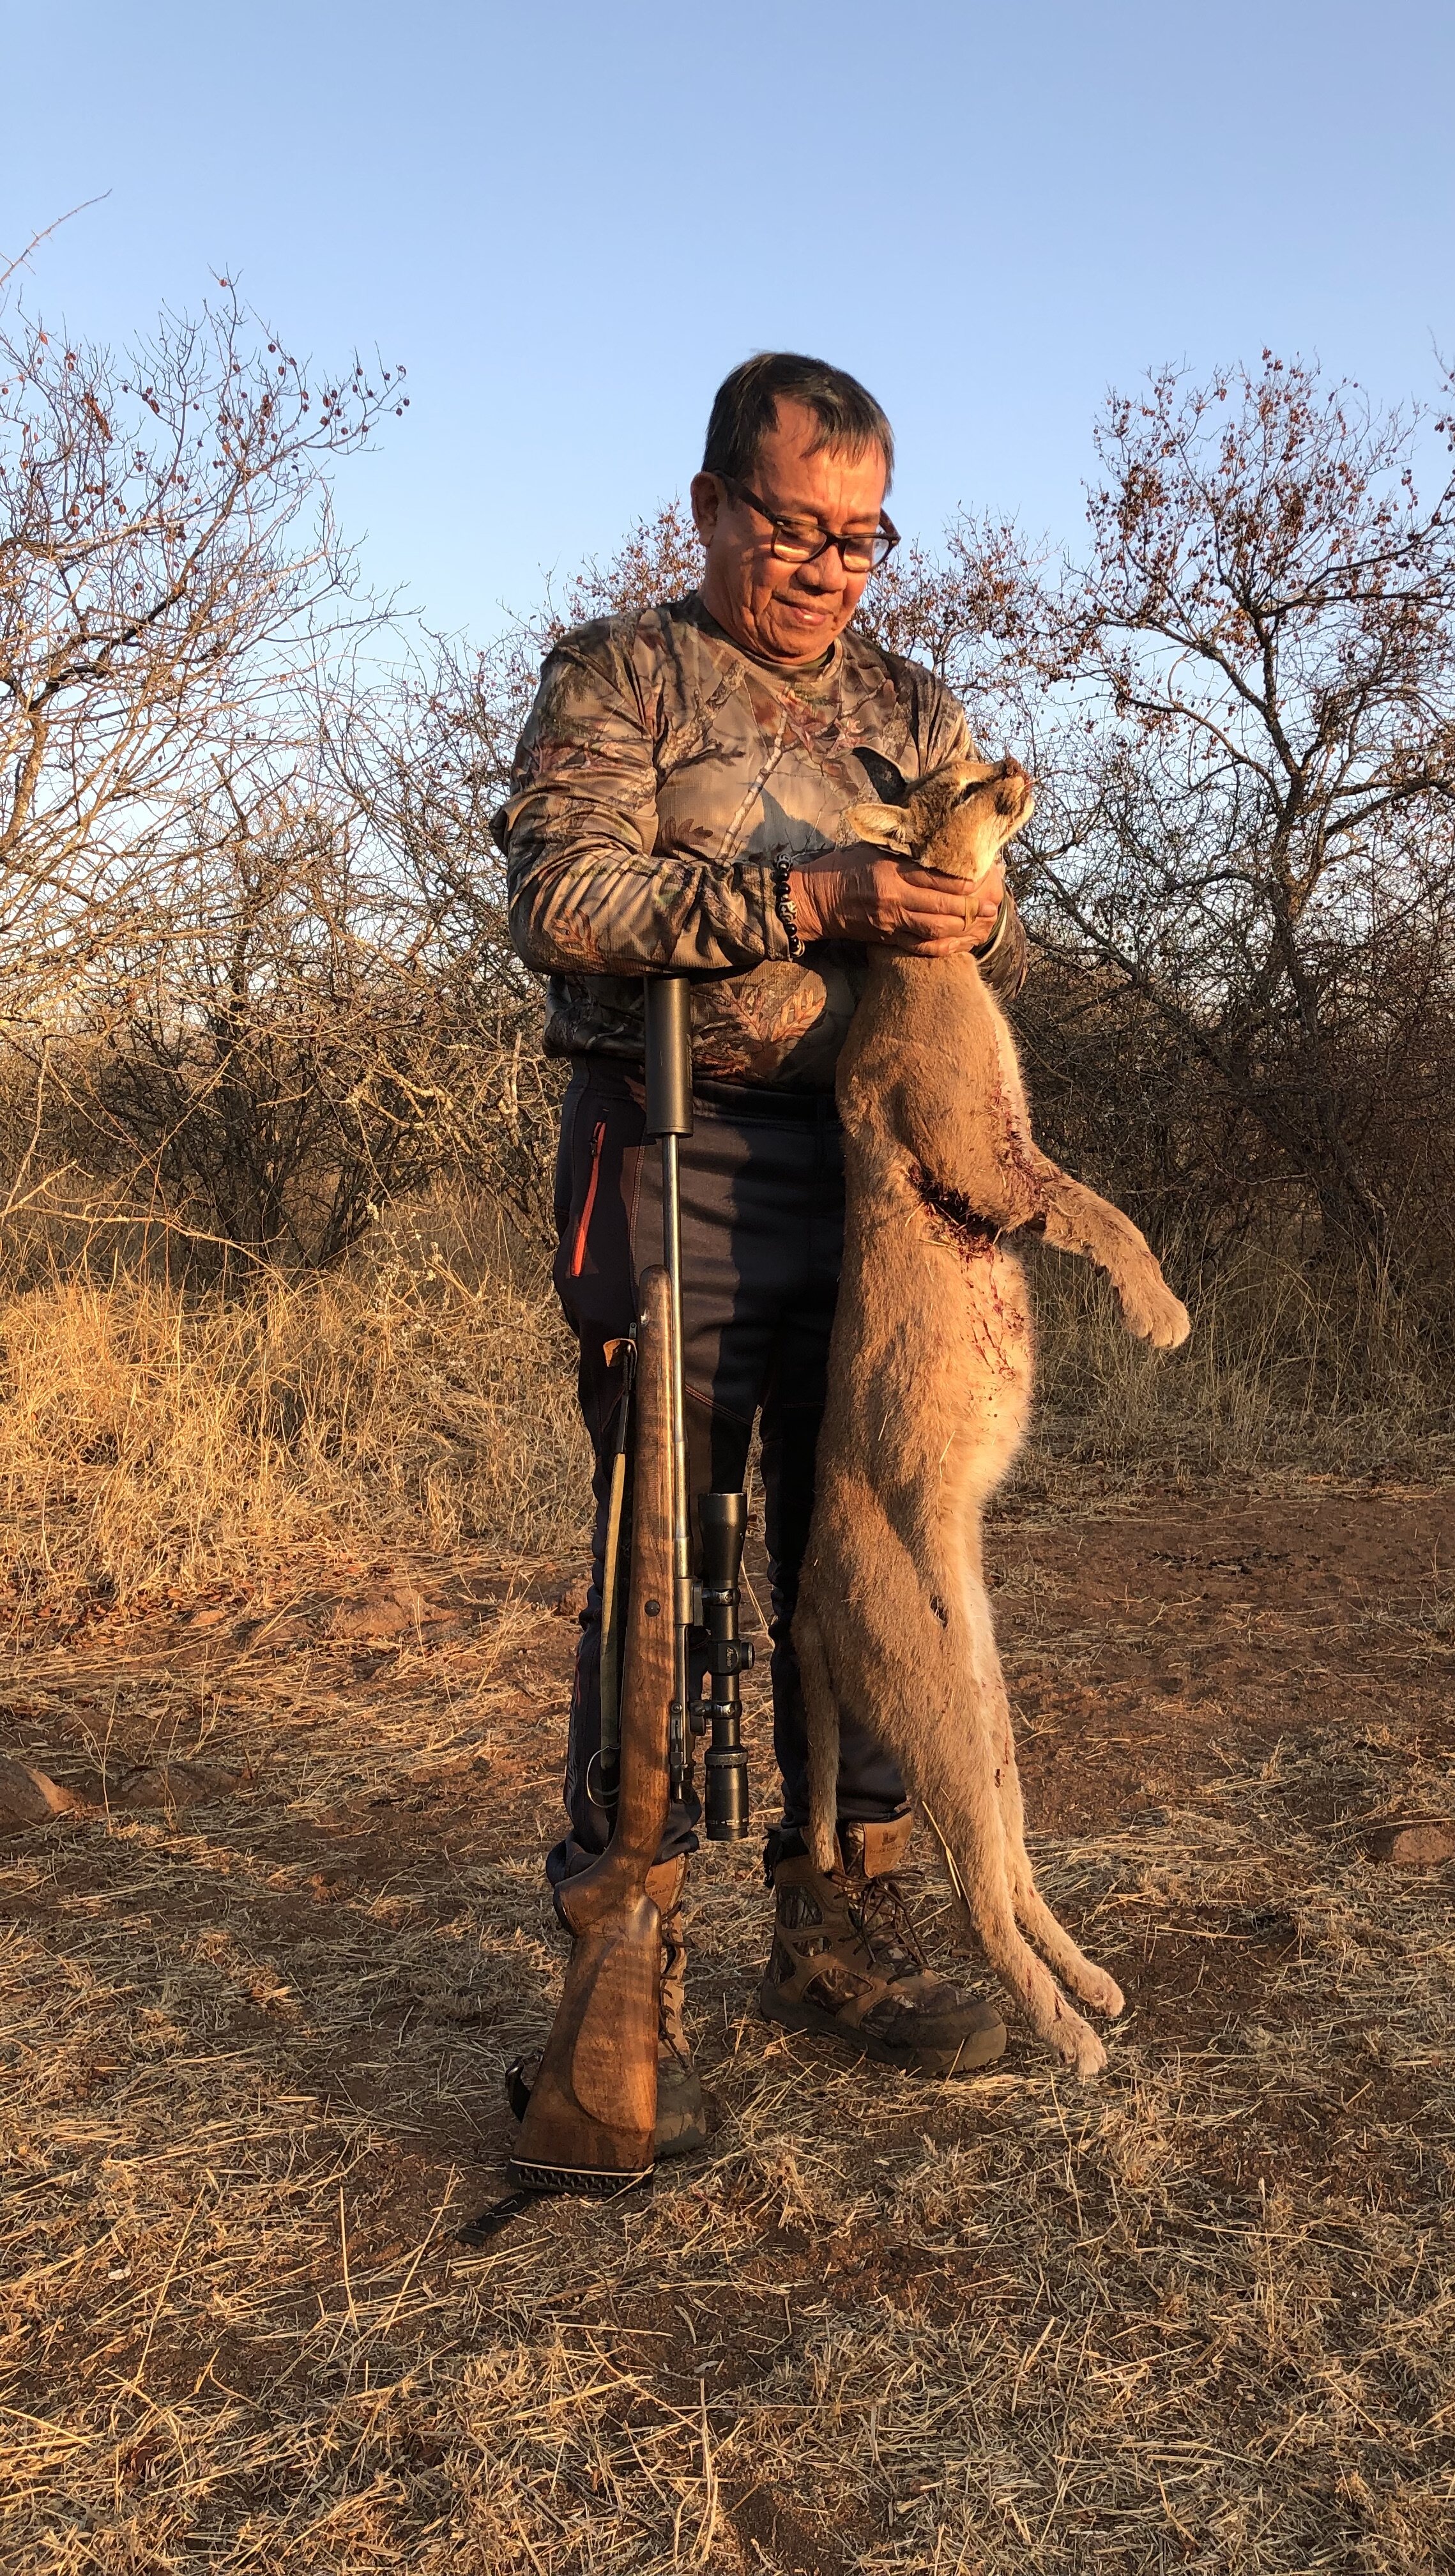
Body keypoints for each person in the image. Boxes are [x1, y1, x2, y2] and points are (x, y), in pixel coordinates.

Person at [494, 353, 1020, 2152]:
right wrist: (818, 896)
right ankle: (616, 1986)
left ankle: (845, 1904)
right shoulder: (620, 676)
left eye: (859, 539)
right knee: (664, 1543)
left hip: (880, 1177)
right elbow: (568, 904)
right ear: (709, 506)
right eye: (791, 526)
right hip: (672, 1146)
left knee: (861, 1528)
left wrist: (967, 904)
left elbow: (973, 906)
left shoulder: (910, 702)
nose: (823, 567)